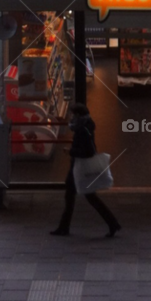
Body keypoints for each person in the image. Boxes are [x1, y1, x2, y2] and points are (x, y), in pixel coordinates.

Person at [50, 102, 122, 238]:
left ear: (77, 115)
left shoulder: (82, 130)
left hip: (80, 168)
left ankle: (112, 223)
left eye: (72, 114)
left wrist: (70, 151)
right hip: (77, 168)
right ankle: (64, 226)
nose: (71, 117)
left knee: (87, 197)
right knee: (75, 197)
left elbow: (88, 151)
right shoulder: (85, 126)